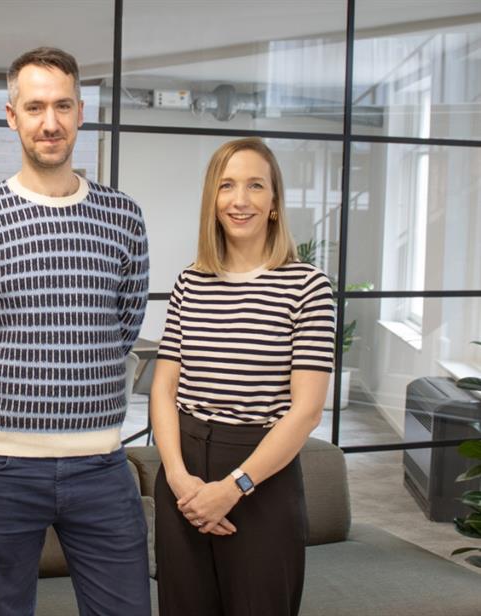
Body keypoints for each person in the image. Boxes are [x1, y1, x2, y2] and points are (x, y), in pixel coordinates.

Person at [0, 47, 151, 616]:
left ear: (80, 112)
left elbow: (124, 326)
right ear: (12, 116)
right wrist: (4, 388)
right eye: (35, 107)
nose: (49, 122)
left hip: (102, 463)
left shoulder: (123, 216)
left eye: (62, 106)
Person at [150, 137, 335, 616]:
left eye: (256, 185)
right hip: (183, 475)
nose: (240, 199)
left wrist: (233, 488)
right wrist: (177, 478)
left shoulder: (307, 286)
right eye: (227, 185)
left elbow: (307, 411)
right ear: (213, 199)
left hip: (261, 479)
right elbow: (164, 388)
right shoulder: (191, 281)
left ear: (274, 203)